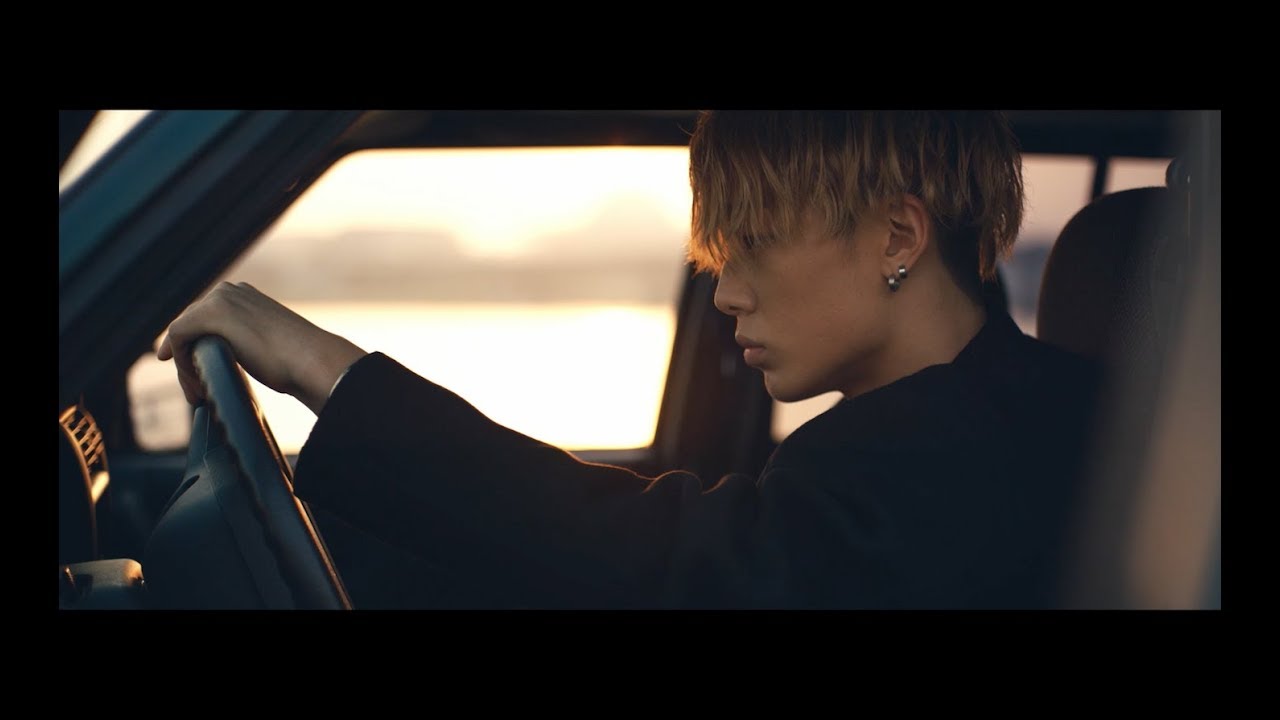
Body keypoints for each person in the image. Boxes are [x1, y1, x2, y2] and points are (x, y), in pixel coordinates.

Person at [158, 110, 1102, 608]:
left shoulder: (990, 452)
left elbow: (668, 563)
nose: (727, 294)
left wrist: (323, 368)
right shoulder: (956, 425)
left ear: (898, 236)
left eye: (755, 246)